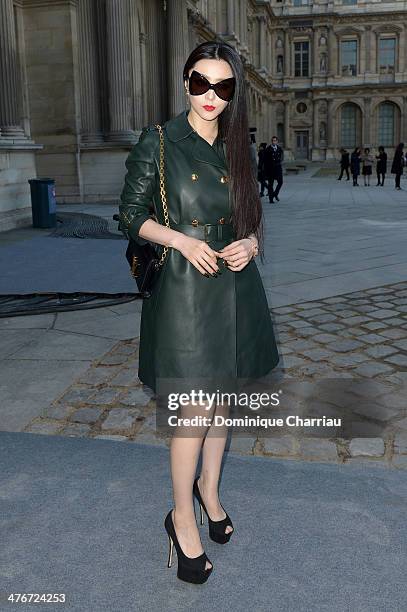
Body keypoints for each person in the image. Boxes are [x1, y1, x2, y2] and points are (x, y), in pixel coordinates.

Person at [119, 41, 279, 585]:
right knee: (194, 409)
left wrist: (251, 243)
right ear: (184, 81)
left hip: (235, 283)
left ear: (233, 92)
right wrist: (183, 242)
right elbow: (130, 217)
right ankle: (180, 515)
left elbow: (251, 216)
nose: (210, 96)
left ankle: (209, 493)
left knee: (222, 399)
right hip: (187, 289)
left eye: (223, 86)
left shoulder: (239, 145)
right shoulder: (160, 141)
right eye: (199, 83)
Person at [263, 135, 284, 203]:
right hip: (271, 169)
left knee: (280, 182)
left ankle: (275, 194)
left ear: (277, 141)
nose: (273, 142)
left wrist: (280, 162)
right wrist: (266, 170)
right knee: (270, 184)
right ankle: (271, 199)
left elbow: (281, 156)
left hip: (278, 168)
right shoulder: (268, 149)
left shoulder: (279, 148)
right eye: (272, 141)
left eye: (275, 140)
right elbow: (265, 161)